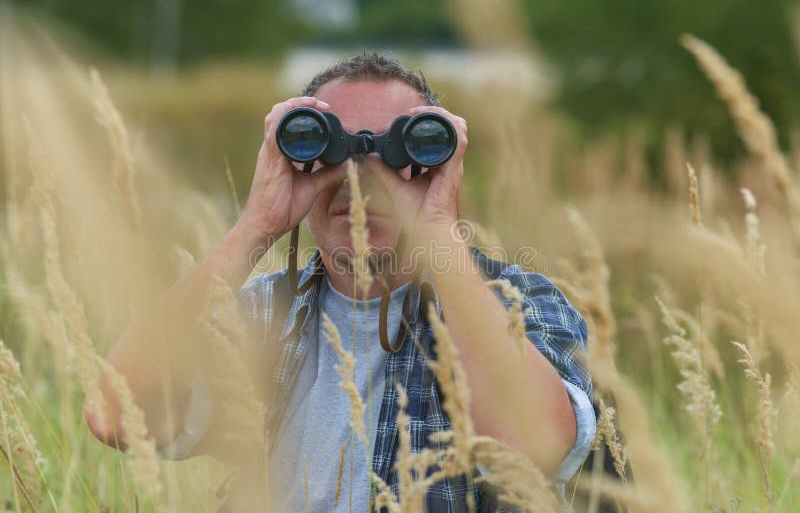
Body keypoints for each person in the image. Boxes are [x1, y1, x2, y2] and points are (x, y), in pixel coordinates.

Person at [86, 52, 596, 512]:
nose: (360, 179)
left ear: (437, 163)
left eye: (399, 149)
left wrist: (439, 233)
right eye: (331, 146)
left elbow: (532, 449)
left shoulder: (517, 304)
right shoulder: (261, 318)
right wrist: (256, 227)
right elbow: (114, 415)